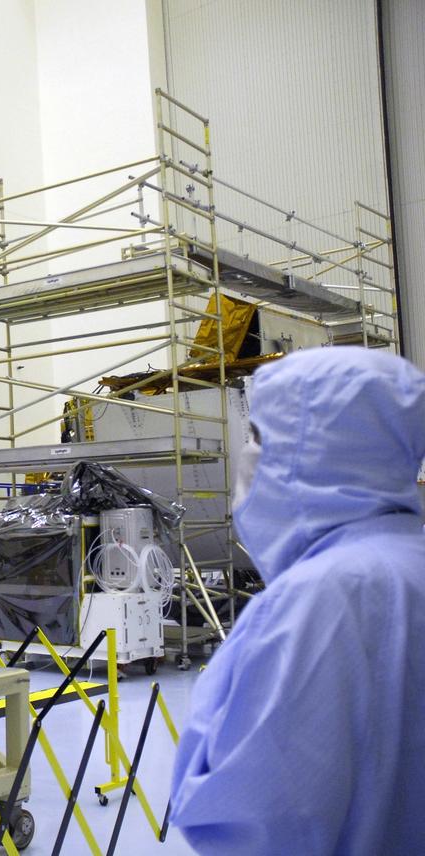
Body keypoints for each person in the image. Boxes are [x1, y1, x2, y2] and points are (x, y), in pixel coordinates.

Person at [169, 347, 425, 854]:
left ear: (313, 449)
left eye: (260, 437)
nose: (248, 456)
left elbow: (255, 819)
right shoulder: (407, 561)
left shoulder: (320, 599)